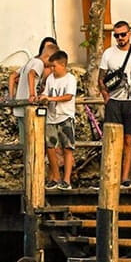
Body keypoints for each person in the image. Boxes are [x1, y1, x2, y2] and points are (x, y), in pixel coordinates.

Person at [97, 21, 131, 185]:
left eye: (123, 34)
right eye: (117, 35)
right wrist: (106, 97)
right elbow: (101, 79)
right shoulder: (108, 53)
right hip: (115, 101)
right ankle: (112, 175)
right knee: (113, 139)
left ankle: (125, 177)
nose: (120, 38)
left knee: (129, 140)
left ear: (129, 34)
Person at [38, 49, 79, 189]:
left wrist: (50, 98)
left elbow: (68, 96)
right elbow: (46, 93)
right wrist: (43, 98)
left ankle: (66, 180)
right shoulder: (50, 78)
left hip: (65, 116)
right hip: (51, 117)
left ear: (63, 65)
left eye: (54, 66)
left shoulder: (70, 79)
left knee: (67, 147)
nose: (52, 69)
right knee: (50, 147)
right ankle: (55, 177)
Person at [6, 37, 59, 104]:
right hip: (28, 103)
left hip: (19, 102)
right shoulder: (39, 63)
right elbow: (31, 74)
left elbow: (12, 76)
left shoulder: (31, 62)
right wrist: (32, 95)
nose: (50, 66)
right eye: (50, 63)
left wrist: (11, 99)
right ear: (48, 57)